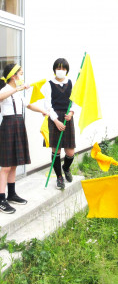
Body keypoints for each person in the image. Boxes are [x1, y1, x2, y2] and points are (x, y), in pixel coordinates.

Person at [0, 63, 47, 214]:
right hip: (8, 125)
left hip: (18, 125)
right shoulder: (6, 89)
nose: (22, 76)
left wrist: (42, 110)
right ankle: (1, 199)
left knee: (14, 163)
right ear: (13, 76)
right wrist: (17, 88)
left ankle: (11, 194)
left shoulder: (18, 93)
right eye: (20, 73)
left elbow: (29, 105)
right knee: (6, 166)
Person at [41, 58, 76, 190]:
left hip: (67, 117)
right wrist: (55, 120)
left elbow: (75, 101)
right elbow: (47, 105)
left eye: (63, 68)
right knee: (56, 149)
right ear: (54, 69)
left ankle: (66, 168)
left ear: (67, 70)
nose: (60, 71)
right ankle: (59, 177)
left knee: (70, 151)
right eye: (58, 68)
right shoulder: (49, 84)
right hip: (54, 117)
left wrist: (71, 113)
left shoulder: (71, 83)